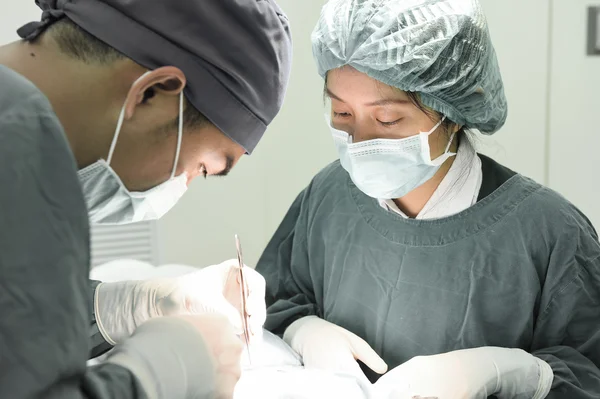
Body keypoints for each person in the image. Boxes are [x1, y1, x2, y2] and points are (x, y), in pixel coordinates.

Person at [256, 0, 600, 398]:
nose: (360, 142)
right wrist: (303, 329)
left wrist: (517, 374)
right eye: (341, 114)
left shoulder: (549, 231)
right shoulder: (328, 196)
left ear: (451, 111)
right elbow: (273, 301)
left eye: (387, 119)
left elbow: (589, 372)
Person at [0, 0, 291, 398]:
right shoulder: (18, 145)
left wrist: (125, 307)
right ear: (153, 93)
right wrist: (158, 373)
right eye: (203, 167)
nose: (184, 186)